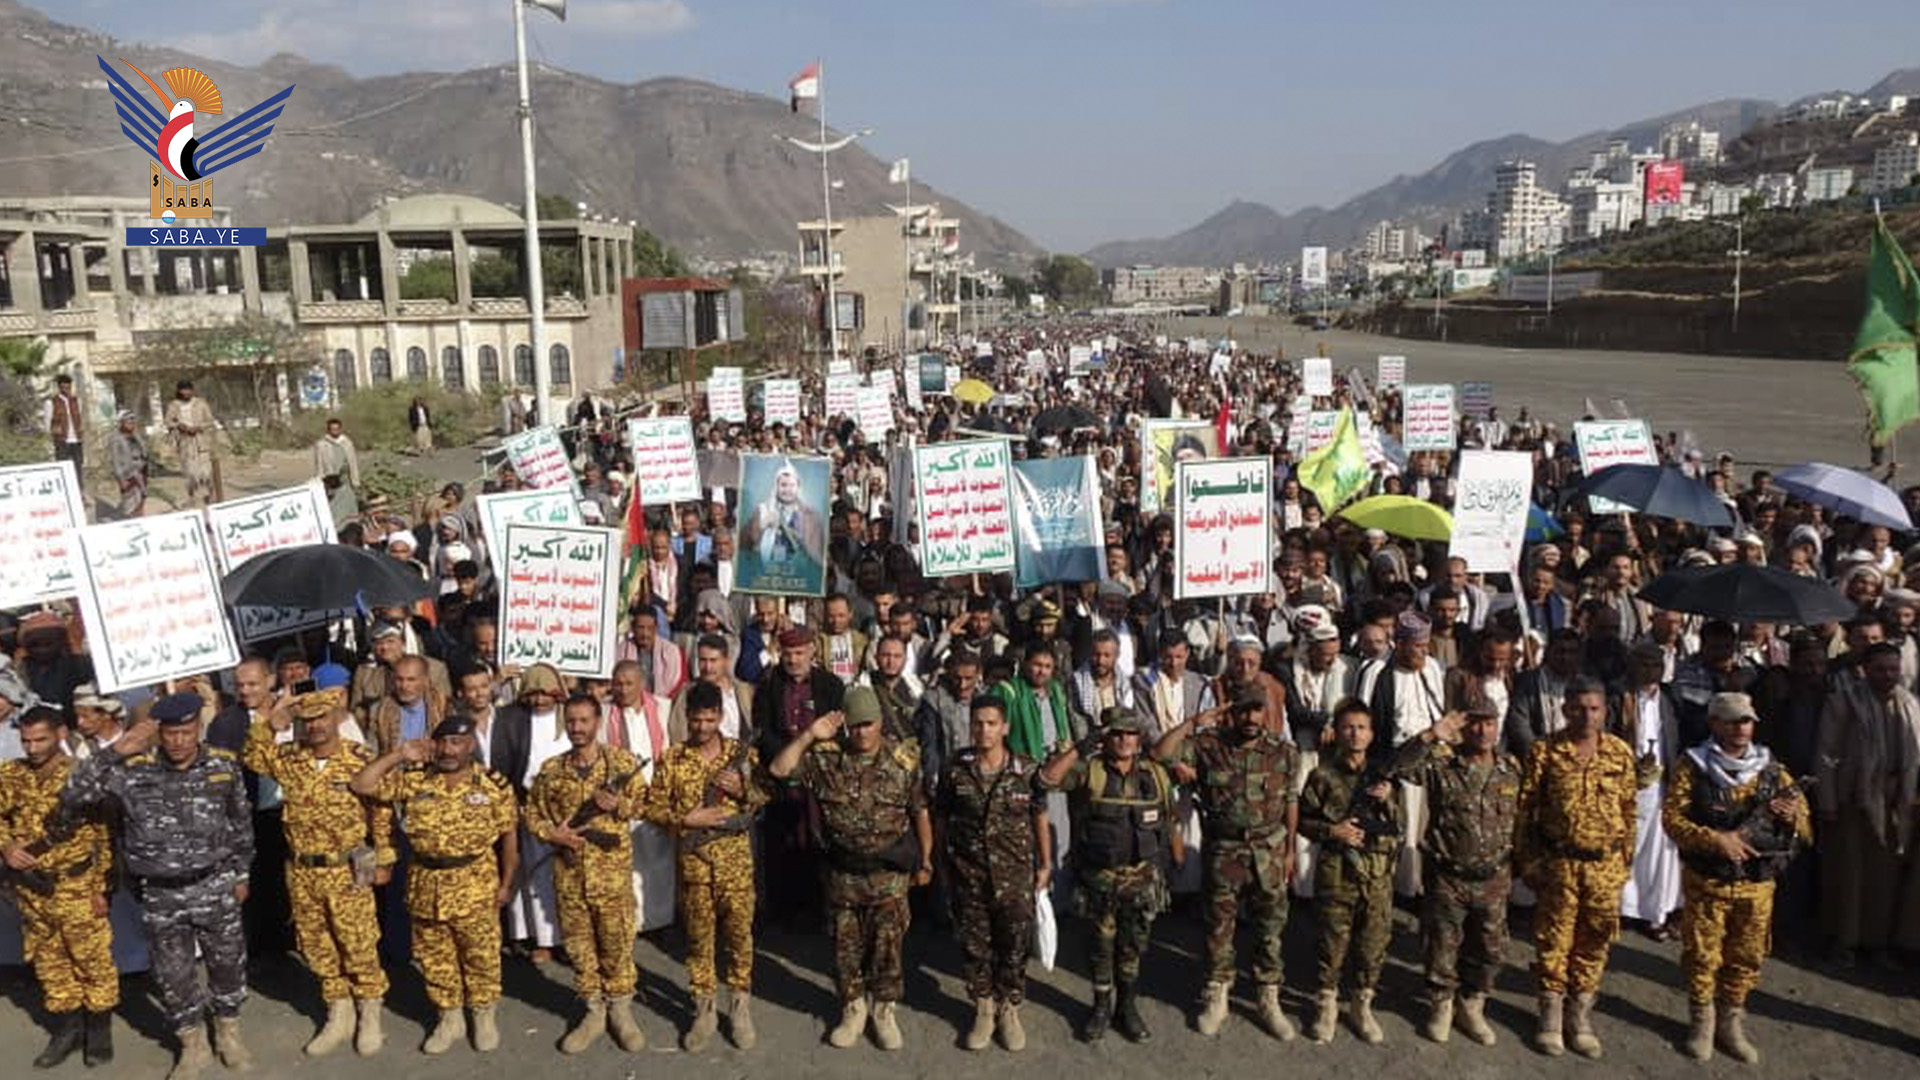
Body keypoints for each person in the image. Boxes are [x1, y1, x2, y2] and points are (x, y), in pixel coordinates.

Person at [61, 693, 254, 1080]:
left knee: (227, 964)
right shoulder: (133, 769)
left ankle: (228, 1032)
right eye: (171, 733)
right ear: (159, 733)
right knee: (173, 973)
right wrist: (115, 751)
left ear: (198, 728)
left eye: (186, 732)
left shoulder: (223, 766)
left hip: (214, 884)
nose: (179, 741)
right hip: (161, 894)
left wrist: (242, 873)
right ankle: (192, 1044)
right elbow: (73, 795)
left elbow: (239, 822)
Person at [767, 686, 933, 1051]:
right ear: (844, 725)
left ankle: (884, 1010)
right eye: (855, 725)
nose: (861, 732)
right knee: (845, 948)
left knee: (887, 948)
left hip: (889, 876)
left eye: (868, 724)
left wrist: (927, 858)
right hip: (843, 877)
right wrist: (810, 734)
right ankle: (853, 1008)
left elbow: (919, 811)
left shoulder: (902, 761)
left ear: (880, 722)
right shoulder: (826, 758)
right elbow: (779, 769)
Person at [351, 716, 519, 1055]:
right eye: (442, 742)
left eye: (456, 742)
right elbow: (362, 784)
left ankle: (483, 1015)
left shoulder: (493, 785)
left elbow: (509, 837)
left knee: (481, 955)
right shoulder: (414, 779)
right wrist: (400, 754)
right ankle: (449, 1017)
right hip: (426, 883)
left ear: (470, 744)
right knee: (435, 956)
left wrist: (507, 884)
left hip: (475, 881)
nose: (448, 750)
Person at [241, 690, 393, 1057]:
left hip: (349, 867)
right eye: (307, 720)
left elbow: (381, 809)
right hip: (304, 870)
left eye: (322, 718)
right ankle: (338, 1012)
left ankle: (369, 1012)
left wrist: (383, 859)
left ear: (337, 716)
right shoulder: (291, 758)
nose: (316, 726)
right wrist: (274, 720)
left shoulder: (359, 758)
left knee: (358, 942)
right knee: (317, 945)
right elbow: (252, 756)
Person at [1663, 692, 1811, 1064]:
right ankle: (1702, 1022)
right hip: (1708, 881)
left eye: (1746, 721)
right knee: (1701, 954)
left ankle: (1731, 1021)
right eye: (1732, 721)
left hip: (1756, 885)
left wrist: (1791, 815)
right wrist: (1716, 839)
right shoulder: (1693, 766)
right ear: (1714, 724)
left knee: (1746, 956)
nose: (1740, 728)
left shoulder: (1772, 770)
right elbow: (1673, 820)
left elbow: (1806, 830)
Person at [1155, 687, 1300, 1041]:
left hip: (1270, 850)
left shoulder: (1283, 751)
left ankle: (1268, 997)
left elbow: (1291, 799)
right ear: (1231, 712)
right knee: (1219, 927)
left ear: (1265, 713)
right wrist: (1193, 722)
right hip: (1225, 850)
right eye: (1244, 711)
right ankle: (1217, 993)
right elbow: (1160, 753)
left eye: (1257, 711)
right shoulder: (1209, 745)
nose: (1250, 719)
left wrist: (1292, 848)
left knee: (1270, 929)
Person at [1039, 707, 1182, 1044]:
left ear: (1139, 738)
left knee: (1132, 947)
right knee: (1100, 947)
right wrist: (1080, 747)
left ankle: (1126, 1007)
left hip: (1141, 879)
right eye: (1116, 733)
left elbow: (1169, 818)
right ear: (1106, 737)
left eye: (1130, 734)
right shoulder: (1090, 772)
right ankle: (1101, 1006)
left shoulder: (1155, 775)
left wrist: (1174, 859)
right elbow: (1047, 779)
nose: (1124, 740)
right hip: (1099, 881)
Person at [1514, 675, 1638, 1059]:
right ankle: (1550, 1016)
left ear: (1605, 712)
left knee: (1594, 941)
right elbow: (1526, 810)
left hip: (1604, 867)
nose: (1587, 716)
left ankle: (1580, 1016)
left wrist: (1623, 863)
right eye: (1579, 708)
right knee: (1553, 941)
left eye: (1594, 709)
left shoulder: (1620, 752)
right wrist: (1528, 862)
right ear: (1565, 709)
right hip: (1558, 864)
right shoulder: (1545, 751)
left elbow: (1630, 811)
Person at [522, 693, 651, 1054]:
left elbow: (648, 805)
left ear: (597, 722)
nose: (578, 728)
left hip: (611, 878)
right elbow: (530, 814)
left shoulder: (621, 763)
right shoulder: (551, 770)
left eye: (584, 721)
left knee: (617, 946)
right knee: (580, 949)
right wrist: (552, 834)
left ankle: (622, 1012)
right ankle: (593, 1013)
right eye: (572, 721)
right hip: (570, 877)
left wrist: (619, 805)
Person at [643, 681, 766, 1051]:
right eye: (696, 721)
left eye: (709, 720)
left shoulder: (743, 756)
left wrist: (744, 789)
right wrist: (686, 819)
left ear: (721, 717)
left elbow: (763, 798)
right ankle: (704, 1008)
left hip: (736, 866)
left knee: (740, 939)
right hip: (695, 867)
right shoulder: (673, 759)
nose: (702, 728)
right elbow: (651, 808)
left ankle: (740, 1007)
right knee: (698, 941)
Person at [1387, 699, 1518, 1046]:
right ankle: (1441, 1005)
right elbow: (1395, 767)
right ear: (1462, 726)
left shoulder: (1512, 768)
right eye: (1474, 723)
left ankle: (1472, 1003)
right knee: (1441, 945)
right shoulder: (1442, 764)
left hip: (1494, 877)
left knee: (1490, 949)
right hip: (1448, 876)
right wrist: (1431, 735)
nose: (1482, 731)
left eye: (1489, 723)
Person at [2, 706, 117, 1068]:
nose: (33, 748)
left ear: (61, 734)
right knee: (49, 962)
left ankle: (98, 1030)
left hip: (77, 884)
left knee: (92, 959)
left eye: (41, 739)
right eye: (26, 741)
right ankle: (67, 1029)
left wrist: (102, 888)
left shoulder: (80, 777)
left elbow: (103, 835)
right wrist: (6, 847)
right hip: (32, 890)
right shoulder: (10, 774)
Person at [936, 693, 1050, 1052]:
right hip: (968, 874)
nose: (984, 730)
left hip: (1014, 875)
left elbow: (1039, 817)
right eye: (978, 723)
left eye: (991, 723)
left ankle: (1009, 1007)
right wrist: (940, 863)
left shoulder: (1027, 770)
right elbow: (941, 816)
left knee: (1014, 944)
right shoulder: (955, 768)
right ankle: (983, 1008)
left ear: (1005, 728)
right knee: (975, 945)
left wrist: (1045, 864)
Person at [1298, 700, 1401, 1045]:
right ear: (1337, 732)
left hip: (1377, 876)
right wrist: (1333, 832)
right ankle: (1326, 1005)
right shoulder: (1322, 775)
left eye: (1362, 727)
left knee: (1373, 944)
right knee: (1331, 943)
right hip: (1337, 873)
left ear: (1372, 734)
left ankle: (1362, 1005)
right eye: (1348, 727)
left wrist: (1387, 799)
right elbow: (1303, 822)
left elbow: (1398, 827)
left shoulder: (1384, 775)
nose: (1355, 734)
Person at [1813, 641, 1920, 965]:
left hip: (1893, 804)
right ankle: (1844, 941)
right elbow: (1826, 752)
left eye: (1892, 669)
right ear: (1866, 670)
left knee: (1884, 879)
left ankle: (1877, 943)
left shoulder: (1910, 704)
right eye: (1880, 669)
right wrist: (1828, 799)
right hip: (1853, 798)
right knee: (1849, 874)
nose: (1888, 675)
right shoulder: (1845, 701)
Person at [162, 379, 219, 507]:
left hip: (201, 441)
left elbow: (210, 421)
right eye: (183, 390)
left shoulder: (201, 403)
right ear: (179, 391)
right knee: (190, 473)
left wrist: (198, 427)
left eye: (188, 389)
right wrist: (179, 425)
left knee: (206, 471)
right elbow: (167, 421)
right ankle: (193, 498)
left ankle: (210, 497)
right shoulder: (174, 405)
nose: (186, 392)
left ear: (192, 390)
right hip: (185, 443)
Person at [312, 417, 363, 524]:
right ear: (328, 430)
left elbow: (353, 463)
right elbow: (319, 464)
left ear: (340, 429)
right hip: (330, 479)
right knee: (333, 503)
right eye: (332, 429)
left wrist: (356, 481)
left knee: (349, 501)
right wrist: (320, 481)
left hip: (345, 478)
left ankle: (350, 522)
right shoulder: (321, 444)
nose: (335, 431)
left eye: (337, 429)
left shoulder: (347, 443)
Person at [106, 410, 148, 518]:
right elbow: (115, 460)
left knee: (142, 498)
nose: (131, 424)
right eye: (128, 422)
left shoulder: (136, 435)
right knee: (130, 503)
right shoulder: (115, 438)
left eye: (133, 422)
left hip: (140, 471)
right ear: (121, 423)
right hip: (127, 473)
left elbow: (143, 451)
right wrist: (120, 479)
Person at [46, 372, 83, 469]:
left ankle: (79, 484)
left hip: (76, 439)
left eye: (68, 387)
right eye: (64, 387)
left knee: (78, 466)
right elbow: (47, 423)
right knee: (64, 466)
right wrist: (51, 443)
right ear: (59, 387)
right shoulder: (51, 402)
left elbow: (79, 418)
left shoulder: (76, 401)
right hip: (61, 441)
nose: (67, 389)